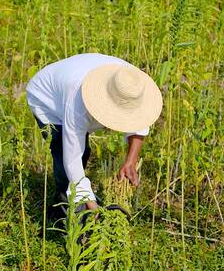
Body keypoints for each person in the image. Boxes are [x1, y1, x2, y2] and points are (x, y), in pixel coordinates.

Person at [26, 53, 162, 213]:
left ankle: (79, 200)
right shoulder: (77, 100)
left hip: (71, 84)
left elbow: (139, 123)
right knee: (62, 150)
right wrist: (91, 204)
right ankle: (68, 206)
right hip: (46, 99)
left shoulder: (131, 83)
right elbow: (72, 156)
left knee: (82, 151)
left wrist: (130, 161)